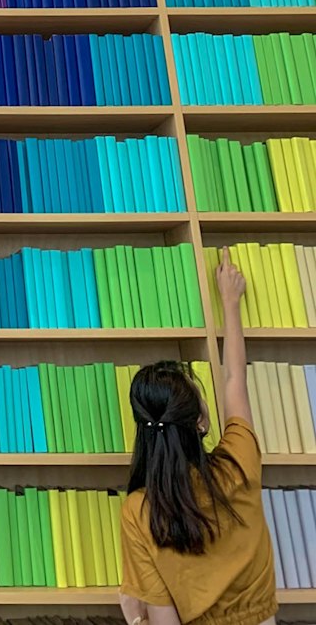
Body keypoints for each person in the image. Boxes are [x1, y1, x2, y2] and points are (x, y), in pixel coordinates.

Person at [118, 246, 277, 625]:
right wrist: (230, 303)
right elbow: (236, 378)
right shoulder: (239, 462)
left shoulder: (140, 513)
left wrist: (136, 619)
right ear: (201, 423)